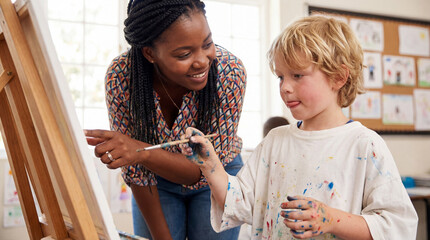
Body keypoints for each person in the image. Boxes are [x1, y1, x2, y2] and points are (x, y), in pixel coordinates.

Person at [180, 16, 418, 239]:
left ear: (338, 77)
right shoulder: (275, 141)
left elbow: (397, 225)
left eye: (297, 75)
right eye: (281, 77)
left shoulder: (366, 145)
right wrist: (210, 165)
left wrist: (331, 219)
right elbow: (238, 203)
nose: (285, 87)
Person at [84, 0, 246, 239]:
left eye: (207, 44)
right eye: (184, 54)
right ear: (150, 53)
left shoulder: (229, 73)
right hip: (153, 182)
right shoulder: (122, 77)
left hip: (217, 175)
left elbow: (200, 171)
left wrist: (140, 150)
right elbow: (137, 173)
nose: (202, 60)